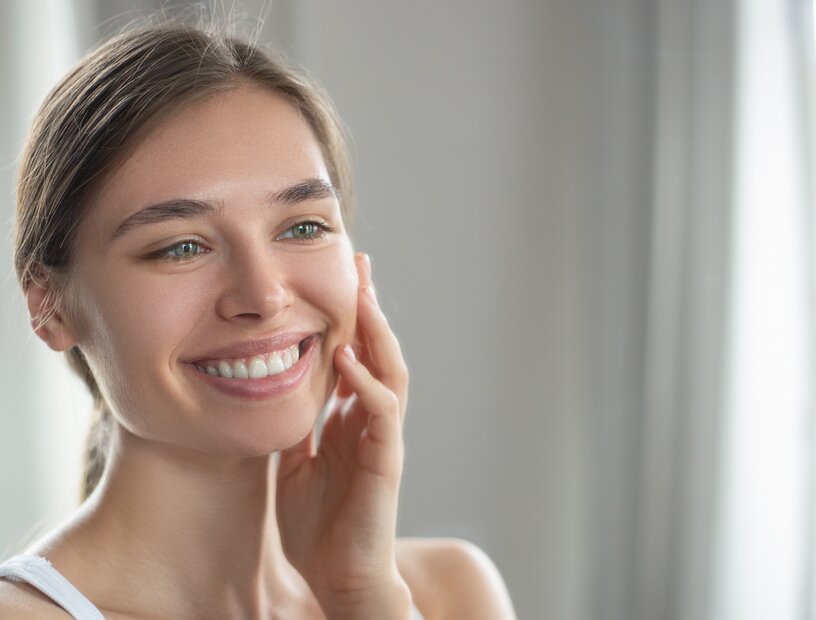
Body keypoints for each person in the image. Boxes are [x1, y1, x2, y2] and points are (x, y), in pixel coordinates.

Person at [0, 19, 517, 620]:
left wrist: (362, 598)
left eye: (303, 227)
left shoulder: (447, 593)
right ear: (49, 305)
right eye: (181, 247)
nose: (265, 296)